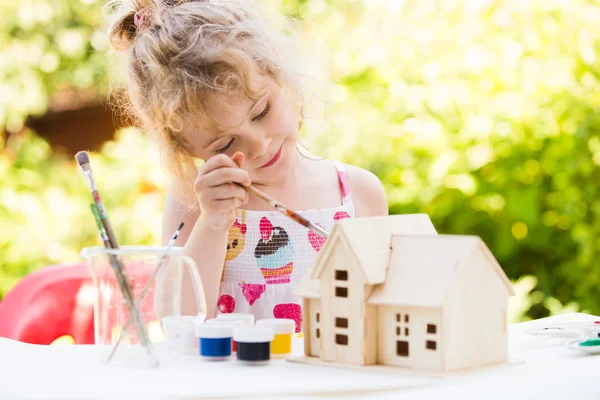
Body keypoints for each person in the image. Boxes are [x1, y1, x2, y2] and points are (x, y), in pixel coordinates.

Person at [107, 0, 388, 328]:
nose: (259, 144)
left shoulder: (358, 194)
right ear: (186, 150)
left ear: (280, 75)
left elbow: (381, 312)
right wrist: (213, 224)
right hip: (235, 380)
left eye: (261, 112)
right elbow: (178, 323)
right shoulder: (194, 204)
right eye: (225, 144)